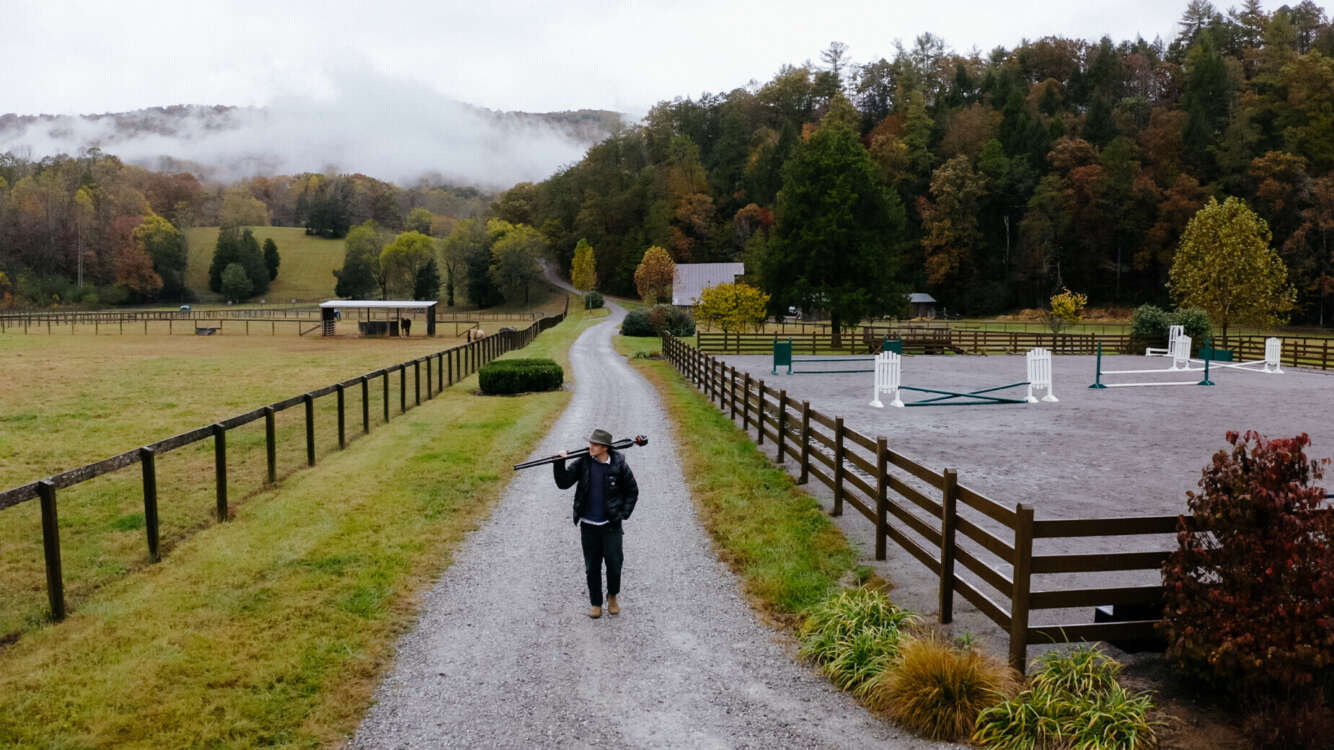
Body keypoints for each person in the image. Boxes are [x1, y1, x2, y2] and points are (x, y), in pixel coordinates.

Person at [552, 429, 639, 618]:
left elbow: (632, 491)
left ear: (605, 447)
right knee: (592, 566)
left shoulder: (618, 465)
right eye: (591, 443)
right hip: (588, 525)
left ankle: (613, 596)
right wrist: (559, 463)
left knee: (614, 564)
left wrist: (623, 514)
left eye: (595, 444)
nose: (591, 447)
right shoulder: (583, 462)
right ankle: (596, 603)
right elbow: (563, 483)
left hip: (611, 525)